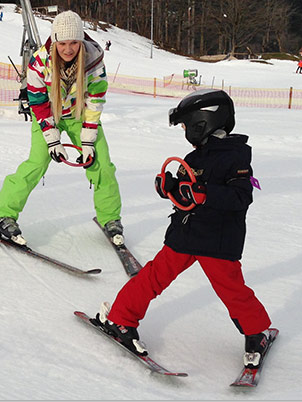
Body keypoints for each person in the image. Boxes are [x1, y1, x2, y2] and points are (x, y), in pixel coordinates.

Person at [89, 89, 273, 369]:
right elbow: (187, 193)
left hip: (218, 240)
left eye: (187, 126)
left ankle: (256, 332)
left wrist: (204, 192)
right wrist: (170, 188)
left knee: (232, 290)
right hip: (186, 235)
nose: (185, 132)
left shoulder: (235, 156)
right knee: (151, 278)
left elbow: (240, 197)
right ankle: (119, 318)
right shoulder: (196, 156)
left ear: (204, 121)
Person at [0, 10, 124, 246]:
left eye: (74, 43)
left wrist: (87, 141)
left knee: (102, 164)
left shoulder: (94, 61)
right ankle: (2, 213)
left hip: (80, 115)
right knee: (36, 164)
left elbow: (95, 101)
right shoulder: (39, 63)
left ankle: (110, 218)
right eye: (63, 43)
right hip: (49, 115)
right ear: (55, 42)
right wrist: (52, 140)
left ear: (82, 41)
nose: (68, 49)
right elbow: (37, 103)